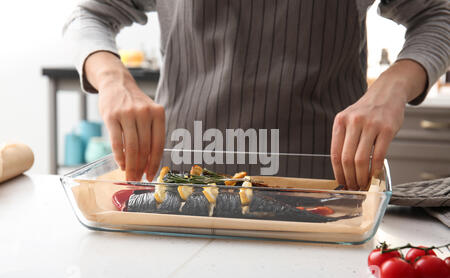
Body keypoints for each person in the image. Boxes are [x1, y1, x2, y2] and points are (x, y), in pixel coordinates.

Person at [63, 0, 449, 190]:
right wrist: (112, 79)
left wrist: (392, 86)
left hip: (323, 193)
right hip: (184, 187)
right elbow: (89, 14)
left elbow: (438, 14)